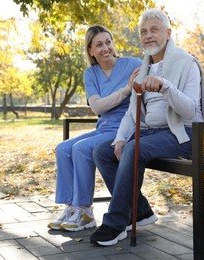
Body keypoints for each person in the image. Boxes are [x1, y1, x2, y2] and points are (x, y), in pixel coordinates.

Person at [90, 8, 204, 246]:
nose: (148, 35)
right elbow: (132, 113)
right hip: (149, 133)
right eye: (143, 31)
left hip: (181, 134)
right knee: (102, 150)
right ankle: (140, 210)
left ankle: (115, 223)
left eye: (154, 29)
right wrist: (120, 139)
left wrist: (166, 86)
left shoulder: (186, 63)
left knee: (134, 151)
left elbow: (191, 111)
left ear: (168, 33)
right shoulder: (143, 69)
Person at [48, 25, 142, 232]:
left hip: (124, 129)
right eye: (99, 44)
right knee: (63, 148)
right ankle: (71, 207)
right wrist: (126, 89)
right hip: (103, 128)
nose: (105, 48)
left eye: (108, 42)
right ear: (90, 50)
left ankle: (85, 211)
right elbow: (97, 107)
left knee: (81, 148)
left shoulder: (133, 64)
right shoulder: (91, 74)